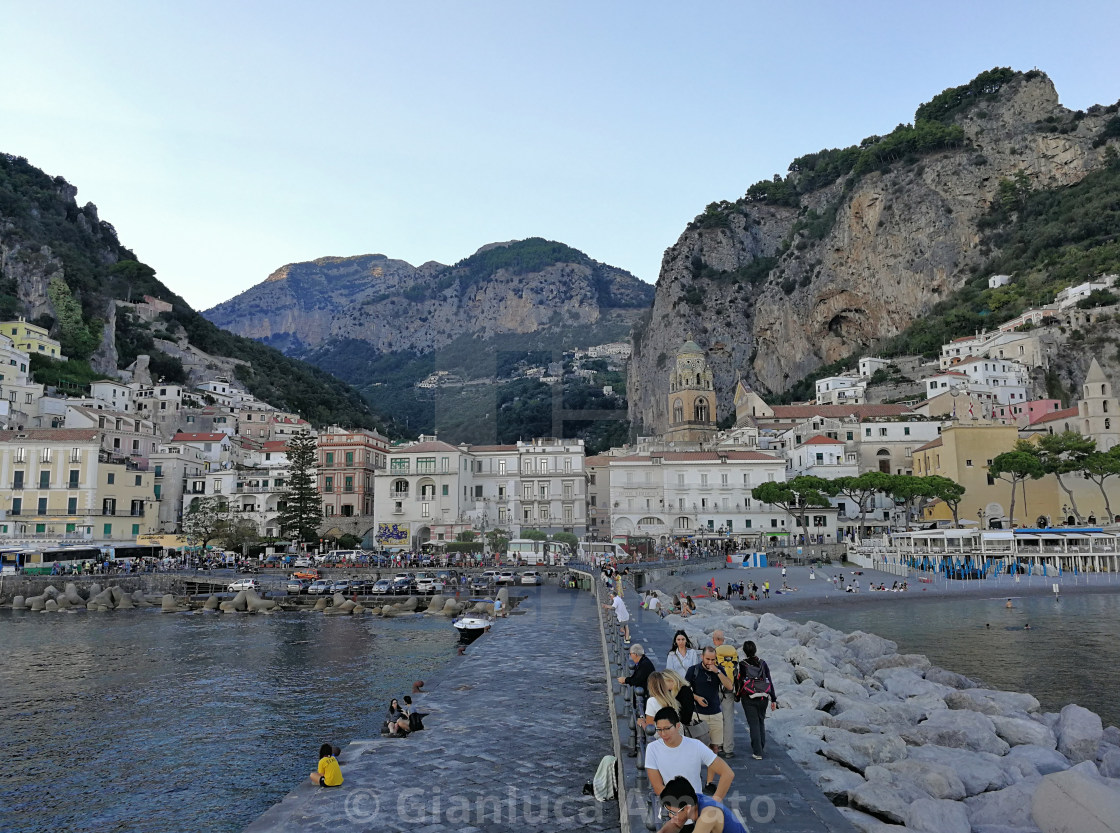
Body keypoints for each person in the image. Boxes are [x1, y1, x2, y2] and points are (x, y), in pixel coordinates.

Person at [645, 707, 734, 804]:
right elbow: (658, 787)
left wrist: (714, 802)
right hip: (672, 808)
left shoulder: (696, 745)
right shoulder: (652, 748)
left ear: (678, 726)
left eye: (667, 728)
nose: (663, 734)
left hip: (695, 808)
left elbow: (728, 773)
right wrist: (679, 807)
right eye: (659, 730)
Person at [656, 774, 747, 833]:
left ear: (687, 808)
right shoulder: (694, 799)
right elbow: (674, 825)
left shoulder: (709, 815)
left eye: (673, 812)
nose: (670, 815)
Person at [686, 647, 734, 755]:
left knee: (715, 747)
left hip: (715, 713)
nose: (710, 662)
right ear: (702, 657)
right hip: (698, 715)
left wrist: (718, 672)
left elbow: (729, 687)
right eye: (707, 659)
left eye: (713, 660)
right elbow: (685, 690)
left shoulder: (719, 669)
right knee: (698, 748)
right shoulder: (693, 670)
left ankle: (712, 771)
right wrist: (697, 698)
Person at [738, 640, 777, 760]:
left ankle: (758, 752)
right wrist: (773, 699)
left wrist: (737, 695)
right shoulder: (763, 663)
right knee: (761, 722)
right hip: (763, 697)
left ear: (744, 652)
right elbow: (769, 680)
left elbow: (739, 681)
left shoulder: (743, 664)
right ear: (755, 650)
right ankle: (761, 746)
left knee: (753, 724)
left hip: (749, 697)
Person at [711, 630, 739, 759]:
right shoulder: (731, 652)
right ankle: (729, 749)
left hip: (716, 689)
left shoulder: (714, 653)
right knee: (729, 719)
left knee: (716, 717)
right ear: (723, 640)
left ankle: (719, 744)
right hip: (729, 689)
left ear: (715, 640)